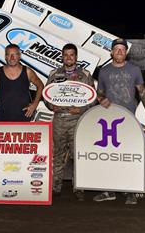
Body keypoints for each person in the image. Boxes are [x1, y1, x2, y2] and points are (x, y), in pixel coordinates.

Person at [93, 38, 145, 205]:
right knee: (109, 156)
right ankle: (108, 190)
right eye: (116, 49)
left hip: (129, 119)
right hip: (109, 121)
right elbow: (99, 93)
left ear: (126, 52)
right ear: (111, 52)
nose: (119, 51)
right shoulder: (104, 71)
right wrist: (101, 99)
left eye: (122, 49)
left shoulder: (135, 69)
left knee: (129, 156)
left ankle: (130, 191)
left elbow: (142, 93)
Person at [44, 43, 96, 201]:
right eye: (65, 55)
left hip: (77, 121)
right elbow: (46, 97)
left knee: (77, 156)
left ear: (76, 57)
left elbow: (93, 100)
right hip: (59, 121)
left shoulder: (85, 75)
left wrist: (81, 110)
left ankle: (78, 188)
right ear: (62, 56)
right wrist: (51, 105)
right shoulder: (54, 74)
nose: (68, 58)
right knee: (58, 155)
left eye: (71, 55)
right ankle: (56, 187)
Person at [0, 44, 44, 125]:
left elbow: (40, 86)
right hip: (3, 118)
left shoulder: (27, 71)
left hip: (23, 118)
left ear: (19, 56)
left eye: (15, 54)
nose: (12, 58)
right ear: (5, 57)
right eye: (9, 55)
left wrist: (35, 104)